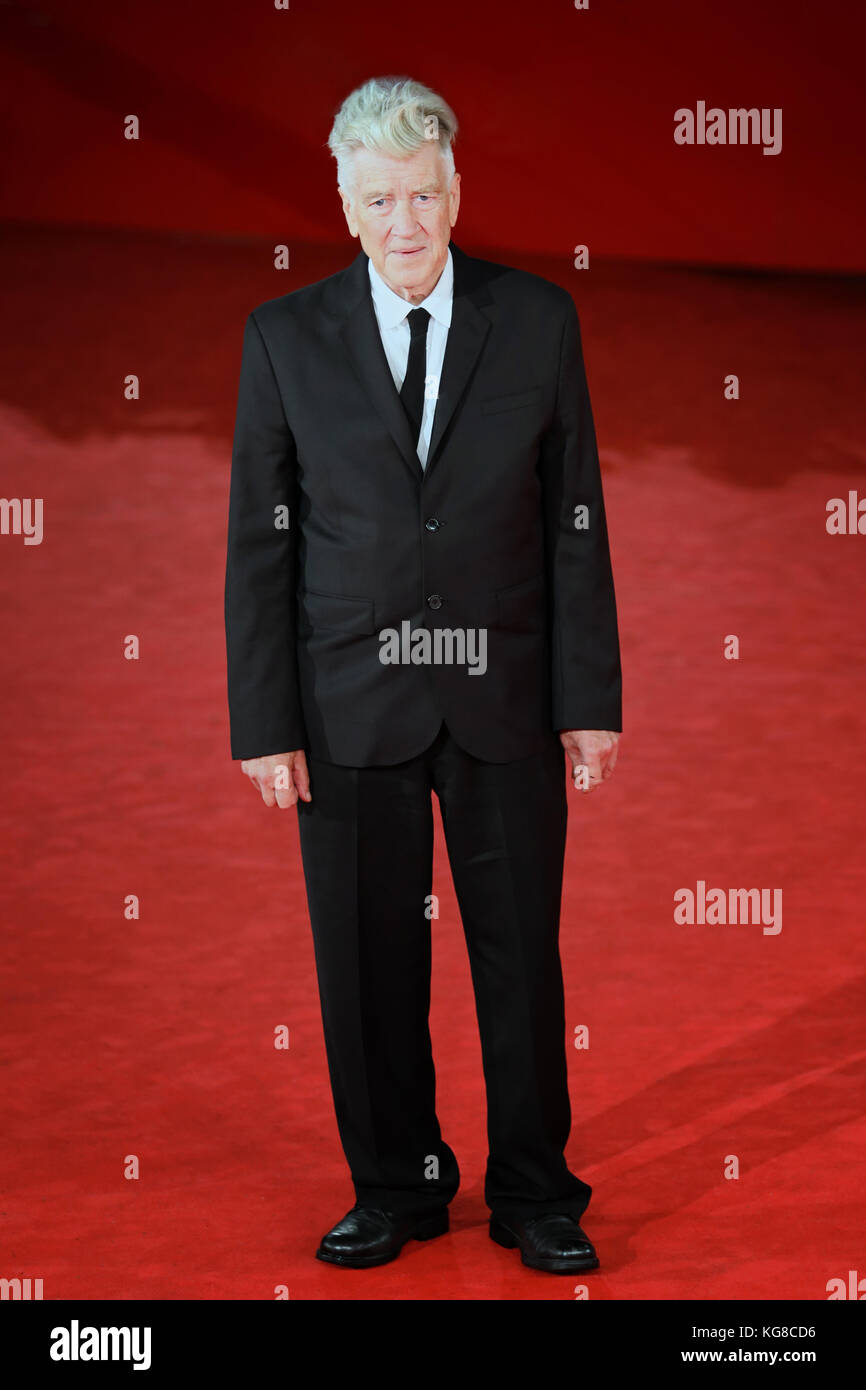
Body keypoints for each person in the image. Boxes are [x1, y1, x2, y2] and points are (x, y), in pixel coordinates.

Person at [224, 75, 622, 1274]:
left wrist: (588, 703)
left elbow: (575, 524)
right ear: (346, 208)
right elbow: (260, 542)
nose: (406, 221)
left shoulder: (539, 321)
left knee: (518, 954)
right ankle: (394, 1185)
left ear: (458, 192)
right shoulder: (284, 338)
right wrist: (263, 723)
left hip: (502, 694)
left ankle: (534, 1190)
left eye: (426, 193)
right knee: (364, 962)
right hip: (347, 701)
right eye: (380, 198)